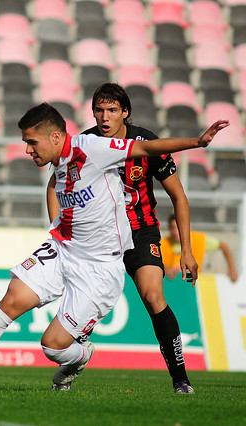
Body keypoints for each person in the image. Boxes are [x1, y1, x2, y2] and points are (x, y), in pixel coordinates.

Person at [0, 103, 228, 393]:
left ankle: (80, 355)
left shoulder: (92, 148)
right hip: (63, 249)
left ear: (55, 136)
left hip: (100, 268)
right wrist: (57, 226)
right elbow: (55, 188)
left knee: (53, 346)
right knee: (11, 300)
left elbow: (145, 147)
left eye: (32, 142)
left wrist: (198, 142)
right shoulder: (58, 161)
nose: (27, 150)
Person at [78, 83, 196, 394]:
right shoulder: (85, 142)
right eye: (99, 110)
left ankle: (180, 379)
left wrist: (187, 251)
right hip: (100, 236)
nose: (104, 117)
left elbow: (178, 197)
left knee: (153, 297)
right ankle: (70, 365)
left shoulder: (146, 142)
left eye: (112, 110)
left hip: (141, 231)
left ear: (125, 113)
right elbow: (55, 183)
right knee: (81, 307)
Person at [162, 214, 238, 283]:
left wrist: (232, 270)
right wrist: (165, 269)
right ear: (169, 228)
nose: (176, 231)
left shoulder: (198, 239)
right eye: (173, 228)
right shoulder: (163, 244)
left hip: (194, 285)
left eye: (178, 227)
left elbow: (224, 246)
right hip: (172, 285)